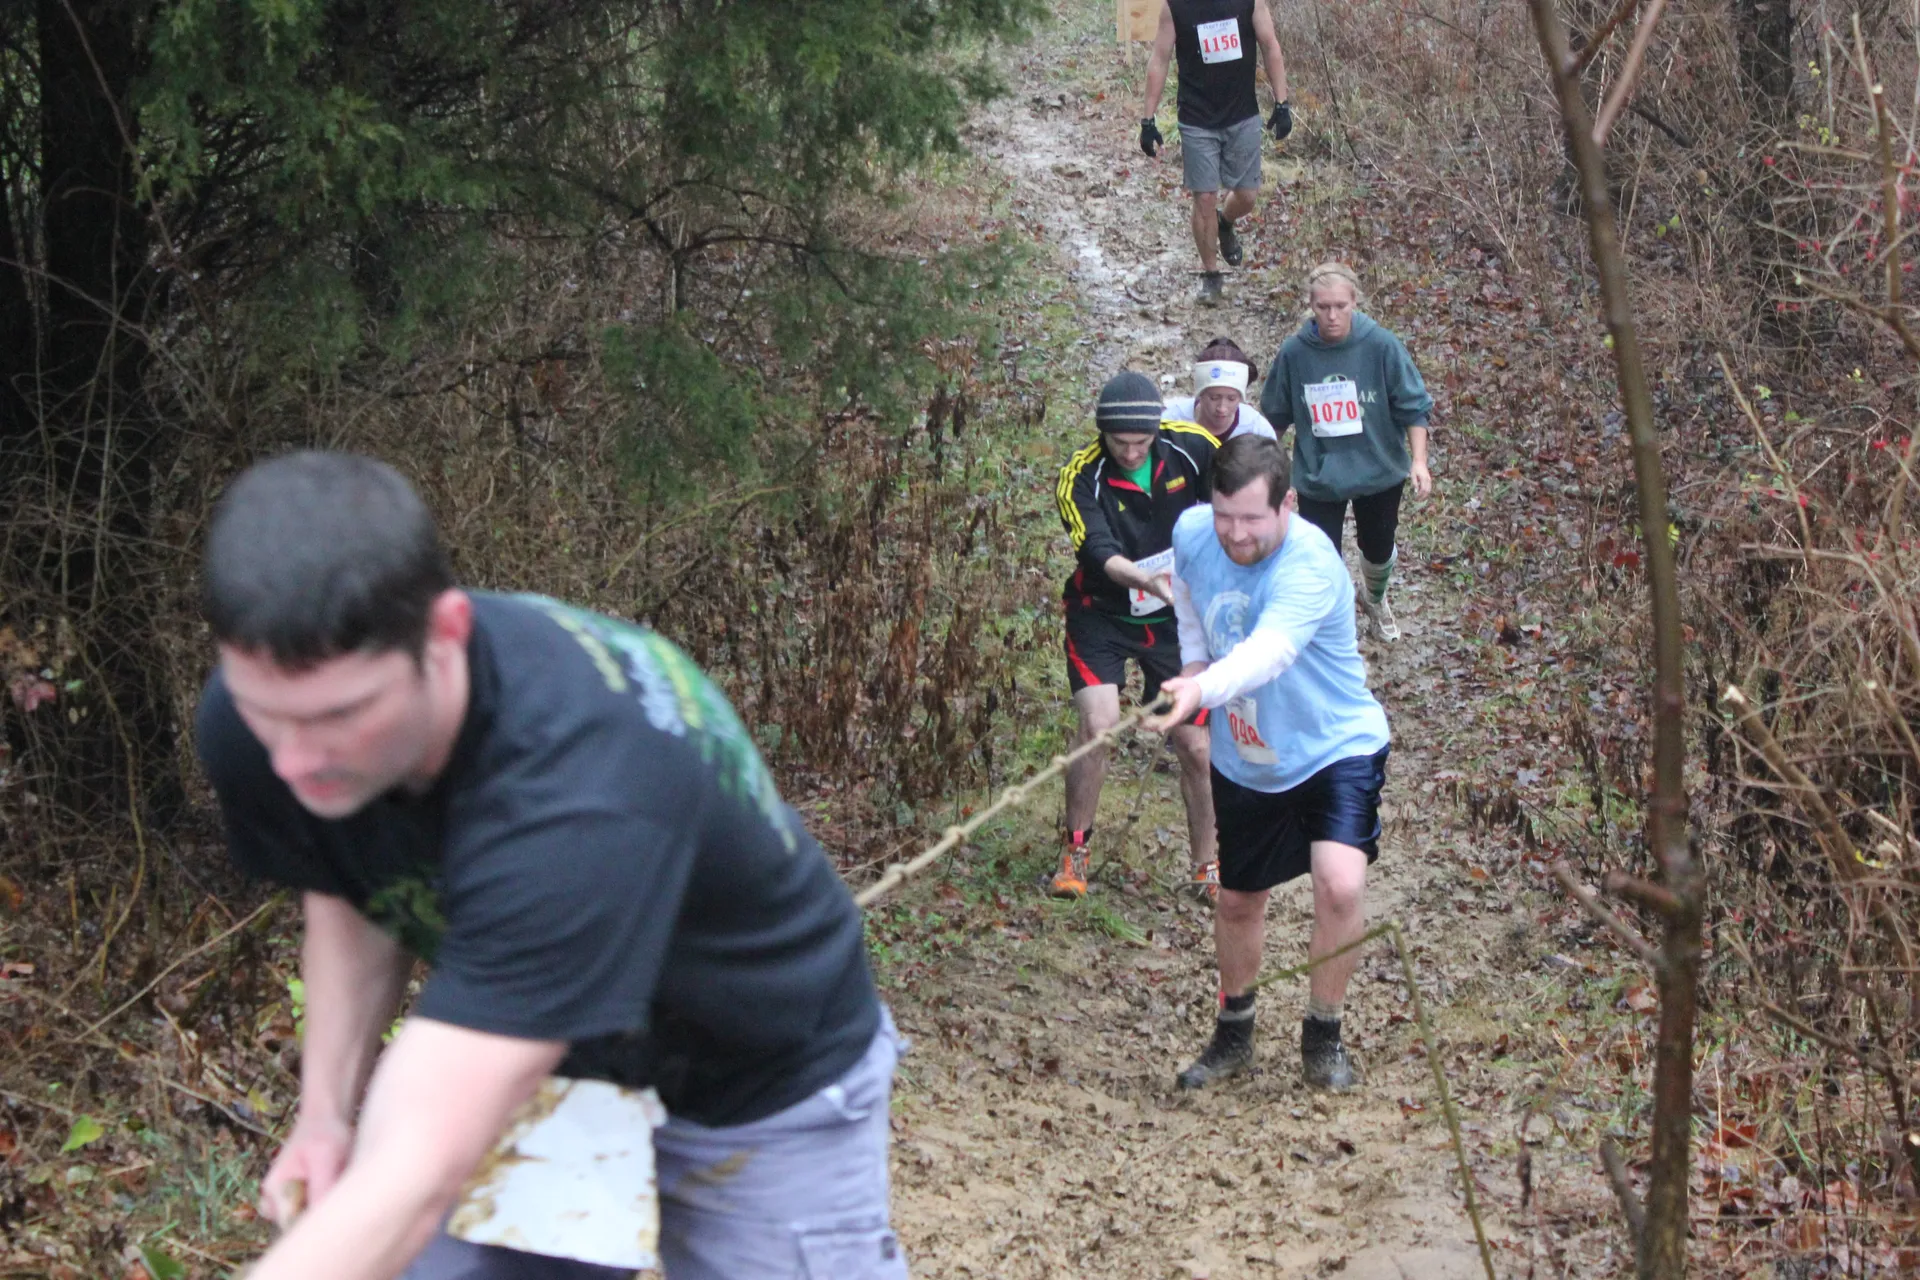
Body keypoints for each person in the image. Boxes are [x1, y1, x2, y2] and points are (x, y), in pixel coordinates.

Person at [194, 452, 905, 1280]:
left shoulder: (584, 785)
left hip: (761, 1072)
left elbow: (419, 1166)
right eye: (266, 713)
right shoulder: (264, 733)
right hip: (559, 1064)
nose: (296, 762)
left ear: (447, 633)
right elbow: (351, 887)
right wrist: (324, 1115)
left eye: (342, 714)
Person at [1145, 434, 1391, 1092]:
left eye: (1252, 518)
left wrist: (1201, 688)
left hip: (1335, 742)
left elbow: (1270, 652)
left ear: (1286, 504)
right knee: (1236, 899)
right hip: (1250, 752)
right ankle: (1234, 1033)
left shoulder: (1310, 562)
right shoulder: (1196, 532)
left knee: (1339, 884)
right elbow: (1191, 605)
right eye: (1224, 515)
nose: (1236, 533)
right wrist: (1191, 667)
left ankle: (1323, 1034)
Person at [1054, 371, 1222, 901]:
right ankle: (1075, 850)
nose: (1130, 452)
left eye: (1141, 443)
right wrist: (1145, 579)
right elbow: (1098, 551)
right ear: (1101, 434)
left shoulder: (1194, 448)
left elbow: (1239, 494)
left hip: (1175, 622)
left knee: (1195, 743)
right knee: (1099, 724)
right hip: (1101, 611)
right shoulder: (1081, 476)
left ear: (1157, 432)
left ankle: (1208, 865)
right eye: (1118, 442)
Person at [1259, 261, 1434, 642]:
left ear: (1355, 302)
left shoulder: (1382, 345)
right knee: (1321, 557)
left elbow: (1414, 406)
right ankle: (1334, 626)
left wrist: (1419, 461)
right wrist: (1268, 474)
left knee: (1378, 548)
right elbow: (1273, 417)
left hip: (1379, 469)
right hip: (1320, 476)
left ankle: (1374, 599)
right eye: (1323, 307)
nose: (1332, 315)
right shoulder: (1294, 354)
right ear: (1311, 305)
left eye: (1340, 305)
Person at [1139, 0, 1292, 307]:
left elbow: (1270, 45)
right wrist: (1148, 119)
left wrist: (1282, 102)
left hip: (1242, 115)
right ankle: (1211, 276)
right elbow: (1159, 58)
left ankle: (1225, 222)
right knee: (1205, 197)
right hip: (1197, 120)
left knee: (1247, 195)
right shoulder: (1175, 7)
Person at [1161, 337, 1278, 443]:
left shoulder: (1257, 430)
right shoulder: (1172, 421)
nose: (1222, 408)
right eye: (1214, 398)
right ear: (1200, 394)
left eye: (1231, 399)